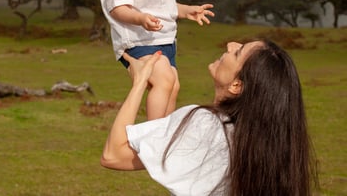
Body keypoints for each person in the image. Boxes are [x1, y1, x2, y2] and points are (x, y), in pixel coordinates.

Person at [100, 39, 319, 196]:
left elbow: (113, 155)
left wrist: (140, 81)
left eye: (238, 51)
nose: (231, 44)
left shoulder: (206, 125)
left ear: (236, 85)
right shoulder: (264, 142)